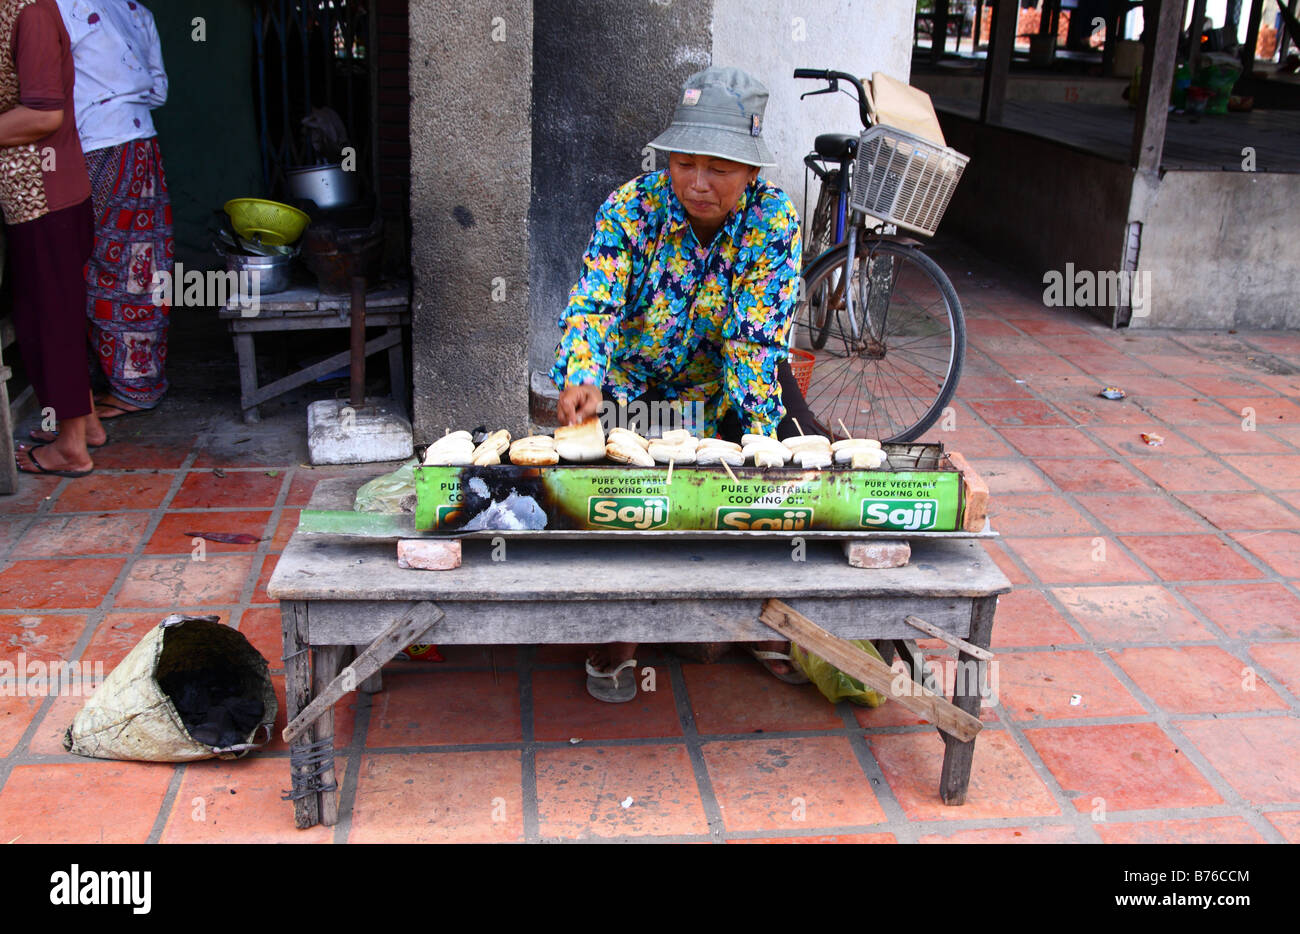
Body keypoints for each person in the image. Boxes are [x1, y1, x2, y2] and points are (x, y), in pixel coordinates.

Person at [551, 66, 825, 702]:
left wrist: (760, 445)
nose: (698, 183)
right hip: (630, 392)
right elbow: (594, 303)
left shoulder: (773, 223)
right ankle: (617, 634)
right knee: (620, 504)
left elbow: (755, 344)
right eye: (685, 162)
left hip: (722, 390)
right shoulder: (630, 209)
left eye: (720, 168)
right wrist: (584, 379)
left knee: (757, 493)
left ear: (751, 171)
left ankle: (754, 615)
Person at [52, 0, 172, 424]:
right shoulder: (135, 9)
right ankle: (141, 381)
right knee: (144, 264)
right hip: (142, 143)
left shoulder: (58, 7)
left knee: (103, 266)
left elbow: (45, 89)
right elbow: (158, 90)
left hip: (97, 146)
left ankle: (124, 388)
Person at [3, 0, 104, 477]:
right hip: (37, 196)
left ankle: (70, 448)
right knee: (55, 314)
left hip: (44, 196)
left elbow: (45, 115)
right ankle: (84, 425)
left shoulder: (31, 13)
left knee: (51, 322)